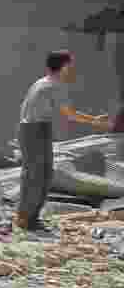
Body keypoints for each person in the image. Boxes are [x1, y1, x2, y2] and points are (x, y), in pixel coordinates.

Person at [16, 51, 110, 232]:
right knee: (38, 176)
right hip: (36, 130)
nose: (72, 68)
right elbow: (69, 114)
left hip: (31, 129)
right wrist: (94, 121)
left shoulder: (41, 82)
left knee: (38, 175)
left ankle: (28, 217)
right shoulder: (54, 85)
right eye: (70, 65)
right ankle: (27, 219)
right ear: (64, 66)